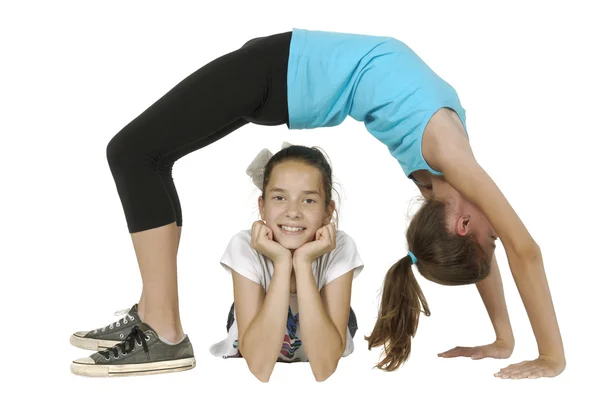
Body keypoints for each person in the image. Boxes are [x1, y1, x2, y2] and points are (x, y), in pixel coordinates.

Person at [70, 28, 565, 380]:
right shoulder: (449, 160)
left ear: (458, 224)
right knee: (142, 155)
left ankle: (160, 324)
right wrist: (535, 348)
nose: (498, 231)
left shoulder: (439, 177)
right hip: (277, 71)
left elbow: (511, 254)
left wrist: (516, 341)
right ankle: (157, 318)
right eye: (493, 238)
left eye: (490, 234)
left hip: (276, 72)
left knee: (136, 153)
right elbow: (516, 252)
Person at [208, 143, 363, 382]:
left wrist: (302, 263)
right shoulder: (243, 244)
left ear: (327, 211)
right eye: (280, 197)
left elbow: (324, 369)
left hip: (328, 318)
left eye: (308, 201)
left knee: (337, 326)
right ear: (262, 206)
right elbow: (259, 368)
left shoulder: (340, 247)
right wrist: (282, 263)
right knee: (249, 328)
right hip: (255, 320)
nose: (293, 212)